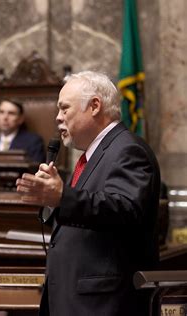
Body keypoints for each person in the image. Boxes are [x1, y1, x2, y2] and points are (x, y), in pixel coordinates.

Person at [16, 71, 160, 315]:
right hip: (78, 300)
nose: (58, 118)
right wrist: (51, 201)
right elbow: (85, 214)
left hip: (103, 304)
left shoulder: (128, 150)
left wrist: (62, 197)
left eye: (64, 109)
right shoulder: (92, 155)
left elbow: (125, 209)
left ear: (94, 106)